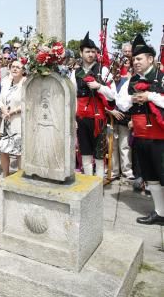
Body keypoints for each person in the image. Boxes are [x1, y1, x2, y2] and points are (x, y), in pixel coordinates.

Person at [117, 34, 164, 225]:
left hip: (160, 137)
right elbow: (120, 102)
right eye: (133, 59)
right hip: (141, 136)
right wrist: (133, 99)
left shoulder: (161, 77)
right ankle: (160, 213)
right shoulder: (132, 80)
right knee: (151, 177)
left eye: (139, 58)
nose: (135, 62)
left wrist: (150, 96)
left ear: (150, 59)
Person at [70, 32, 115, 178]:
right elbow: (72, 97)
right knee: (85, 152)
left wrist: (99, 86)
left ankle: (98, 185)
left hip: (99, 118)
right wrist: (73, 119)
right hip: (81, 118)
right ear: (81, 53)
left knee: (99, 154)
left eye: (93, 51)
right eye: (87, 51)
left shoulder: (103, 70)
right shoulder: (75, 73)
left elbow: (112, 95)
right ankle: (89, 184)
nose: (90, 54)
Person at [0, 60, 25, 177]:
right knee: (3, 150)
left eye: (17, 67)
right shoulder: (6, 83)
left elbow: (27, 102)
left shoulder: (25, 84)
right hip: (6, 121)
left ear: (22, 70)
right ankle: (5, 175)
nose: (14, 69)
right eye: (12, 67)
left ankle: (20, 178)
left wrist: (13, 111)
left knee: (19, 152)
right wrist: (3, 109)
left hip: (18, 121)